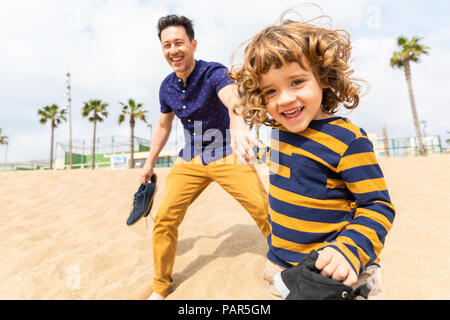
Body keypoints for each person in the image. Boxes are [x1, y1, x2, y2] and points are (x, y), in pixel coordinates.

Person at [230, 18, 395, 299]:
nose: (284, 99)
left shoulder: (347, 140)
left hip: (335, 272)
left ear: (323, 77)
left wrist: (349, 250)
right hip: (284, 264)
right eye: (271, 91)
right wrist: (257, 151)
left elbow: (378, 206)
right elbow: (293, 167)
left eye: (296, 82)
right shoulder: (280, 133)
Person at [140, 14, 271, 300]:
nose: (173, 50)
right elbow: (164, 125)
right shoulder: (166, 87)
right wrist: (149, 163)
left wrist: (238, 126)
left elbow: (233, 97)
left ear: (193, 44)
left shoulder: (213, 72)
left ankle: (290, 264)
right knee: (164, 218)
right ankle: (161, 286)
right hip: (191, 159)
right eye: (166, 45)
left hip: (227, 152)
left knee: (263, 210)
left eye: (178, 42)